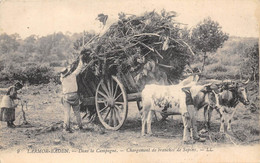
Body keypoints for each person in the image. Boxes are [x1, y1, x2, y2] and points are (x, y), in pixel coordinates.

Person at [60, 55, 85, 133]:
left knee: (67, 113)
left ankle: (66, 128)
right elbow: (79, 68)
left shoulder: (62, 79)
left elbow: (63, 75)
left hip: (66, 97)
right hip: (74, 96)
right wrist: (80, 60)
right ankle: (80, 126)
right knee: (77, 112)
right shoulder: (73, 75)